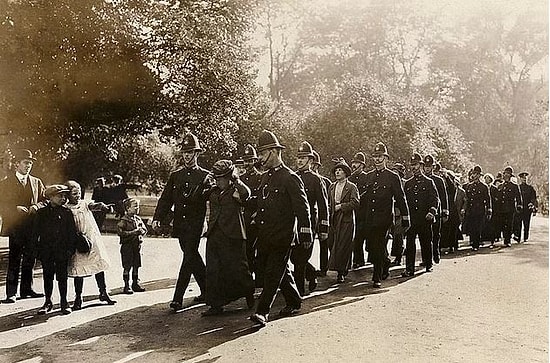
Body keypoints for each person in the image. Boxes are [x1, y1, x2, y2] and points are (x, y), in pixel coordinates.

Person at [249, 130, 312, 327]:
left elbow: (303, 207)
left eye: (262, 153)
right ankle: (294, 300)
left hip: (283, 236)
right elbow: (261, 202)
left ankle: (262, 312)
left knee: (272, 273)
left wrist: (305, 230)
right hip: (266, 234)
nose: (259, 158)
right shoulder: (266, 177)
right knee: (279, 270)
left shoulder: (290, 177)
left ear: (275, 152)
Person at [152, 132, 212, 311]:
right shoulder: (176, 175)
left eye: (190, 152)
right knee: (192, 258)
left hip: (195, 225)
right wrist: (157, 217)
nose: (187, 155)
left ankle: (178, 298)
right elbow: (165, 199)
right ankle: (207, 290)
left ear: (197, 154)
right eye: (185, 152)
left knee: (188, 258)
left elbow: (213, 199)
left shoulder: (206, 176)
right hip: (180, 225)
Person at [202, 160, 255, 316]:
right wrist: (207, 179)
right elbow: (198, 193)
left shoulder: (235, 190)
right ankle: (215, 305)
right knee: (213, 269)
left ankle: (248, 293)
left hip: (233, 235)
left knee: (238, 268)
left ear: (229, 177)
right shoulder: (213, 191)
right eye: (216, 178)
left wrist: (236, 180)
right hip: (214, 234)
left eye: (221, 178)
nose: (218, 181)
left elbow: (247, 194)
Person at [0, 149, 46, 303]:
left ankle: (27, 290)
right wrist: (15, 209)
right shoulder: (5, 183)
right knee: (14, 259)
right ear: (17, 164)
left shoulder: (37, 182)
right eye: (26, 163)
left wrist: (37, 206)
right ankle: (11, 293)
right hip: (15, 227)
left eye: (30, 163)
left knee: (30, 259)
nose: (28, 166)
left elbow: (45, 200)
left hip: (33, 227)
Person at [363, 143, 409, 287]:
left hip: (384, 219)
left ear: (386, 158)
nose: (377, 159)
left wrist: (406, 217)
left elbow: (401, 198)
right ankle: (386, 262)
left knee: (378, 245)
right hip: (370, 217)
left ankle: (376, 277)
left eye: (380, 156)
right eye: (375, 156)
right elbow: (365, 198)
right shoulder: (368, 176)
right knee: (371, 246)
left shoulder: (392, 177)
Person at [65, 180, 116, 310]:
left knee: (98, 264)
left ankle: (103, 292)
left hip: (91, 239)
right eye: (74, 193)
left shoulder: (84, 204)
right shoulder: (66, 208)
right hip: (77, 242)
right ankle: (78, 297)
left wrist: (102, 206)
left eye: (79, 193)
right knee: (79, 268)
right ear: (68, 195)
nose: (77, 196)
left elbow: (94, 205)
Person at [31, 185, 77, 315]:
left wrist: (70, 250)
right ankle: (48, 301)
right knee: (48, 276)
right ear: (50, 197)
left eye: (64, 196)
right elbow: (35, 234)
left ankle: (64, 302)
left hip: (62, 251)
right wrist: (37, 251)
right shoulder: (41, 213)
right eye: (59, 196)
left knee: (62, 277)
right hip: (47, 251)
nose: (63, 198)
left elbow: (72, 233)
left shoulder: (67, 212)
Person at [291, 141, 329, 295]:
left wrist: (323, 228)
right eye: (298, 157)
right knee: (294, 258)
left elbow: (323, 205)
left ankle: (298, 292)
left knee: (300, 259)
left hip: (308, 224)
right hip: (292, 223)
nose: (300, 161)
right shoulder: (292, 177)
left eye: (303, 158)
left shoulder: (316, 180)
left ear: (311, 161)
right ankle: (311, 272)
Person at [402, 153, 439, 276]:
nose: (414, 167)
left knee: (426, 242)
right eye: (412, 165)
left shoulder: (429, 182)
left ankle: (428, 264)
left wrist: (432, 212)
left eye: (416, 164)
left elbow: (435, 199)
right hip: (412, 219)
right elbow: (404, 201)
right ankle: (409, 269)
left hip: (425, 218)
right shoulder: (408, 183)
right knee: (410, 243)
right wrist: (404, 216)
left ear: (421, 165)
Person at [327, 158, 359, 283]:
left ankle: (341, 272)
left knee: (343, 245)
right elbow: (329, 202)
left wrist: (341, 206)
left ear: (345, 173)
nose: (338, 172)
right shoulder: (332, 187)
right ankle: (338, 266)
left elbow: (356, 202)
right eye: (336, 170)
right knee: (332, 243)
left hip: (346, 220)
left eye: (340, 170)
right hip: (334, 218)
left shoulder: (351, 187)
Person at [239, 144, 263, 281]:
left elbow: (261, 199)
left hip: (257, 217)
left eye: (250, 160)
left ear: (255, 161)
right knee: (246, 250)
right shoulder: (241, 179)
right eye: (246, 161)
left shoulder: (261, 177)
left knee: (259, 250)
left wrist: (257, 213)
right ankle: (248, 279)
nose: (247, 164)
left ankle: (259, 280)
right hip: (245, 218)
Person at [117, 197, 147, 294]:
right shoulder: (124, 220)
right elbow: (120, 232)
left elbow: (144, 229)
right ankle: (126, 285)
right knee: (127, 266)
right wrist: (133, 232)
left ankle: (135, 283)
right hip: (127, 247)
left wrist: (141, 231)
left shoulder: (138, 219)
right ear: (128, 208)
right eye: (135, 206)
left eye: (138, 206)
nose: (137, 208)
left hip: (137, 246)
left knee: (136, 265)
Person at [423, 155, 448, 264]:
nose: (427, 169)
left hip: (436, 212)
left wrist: (445, 212)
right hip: (425, 212)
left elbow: (443, 196)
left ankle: (436, 253)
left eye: (429, 167)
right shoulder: (422, 180)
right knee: (426, 237)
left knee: (436, 235)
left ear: (433, 167)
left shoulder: (439, 180)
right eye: (426, 167)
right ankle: (426, 259)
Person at [311, 150, 332, 276]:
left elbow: (327, 203)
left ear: (317, 166)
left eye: (314, 164)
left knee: (324, 243)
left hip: (323, 216)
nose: (312, 167)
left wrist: (326, 222)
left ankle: (324, 268)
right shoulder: (304, 178)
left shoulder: (325, 181)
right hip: (311, 216)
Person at [462, 165, 492, 251]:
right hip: (470, 211)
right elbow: (466, 199)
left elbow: (487, 199)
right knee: (472, 227)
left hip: (479, 211)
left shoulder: (484, 187)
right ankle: (473, 242)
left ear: (479, 175)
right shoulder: (469, 186)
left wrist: (489, 210)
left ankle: (476, 244)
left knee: (478, 227)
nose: (474, 175)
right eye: (473, 173)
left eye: (476, 174)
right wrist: (464, 208)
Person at [348, 152, 369, 269]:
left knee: (361, 236)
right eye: (353, 163)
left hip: (363, 212)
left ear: (362, 165)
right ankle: (357, 260)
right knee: (355, 237)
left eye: (357, 163)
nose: (354, 165)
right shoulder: (350, 178)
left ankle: (360, 259)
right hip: (352, 212)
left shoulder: (366, 178)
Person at [493, 166, 521, 247]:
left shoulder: (514, 186)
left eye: (508, 174)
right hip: (501, 209)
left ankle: (507, 240)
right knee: (502, 223)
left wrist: (519, 205)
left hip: (510, 208)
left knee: (509, 224)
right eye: (505, 174)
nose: (506, 176)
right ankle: (503, 237)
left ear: (510, 176)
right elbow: (497, 197)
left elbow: (518, 197)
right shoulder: (500, 186)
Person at [389, 162, 406, 266]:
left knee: (398, 236)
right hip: (390, 213)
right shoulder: (389, 182)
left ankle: (398, 258)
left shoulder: (405, 183)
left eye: (396, 172)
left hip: (400, 213)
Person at [514, 172, 538, 242]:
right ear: (520, 179)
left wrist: (532, 203)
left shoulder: (530, 188)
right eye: (523, 178)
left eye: (525, 178)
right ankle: (518, 237)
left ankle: (525, 237)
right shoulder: (518, 187)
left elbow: (533, 198)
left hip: (527, 209)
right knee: (518, 224)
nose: (524, 179)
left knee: (526, 224)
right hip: (520, 208)